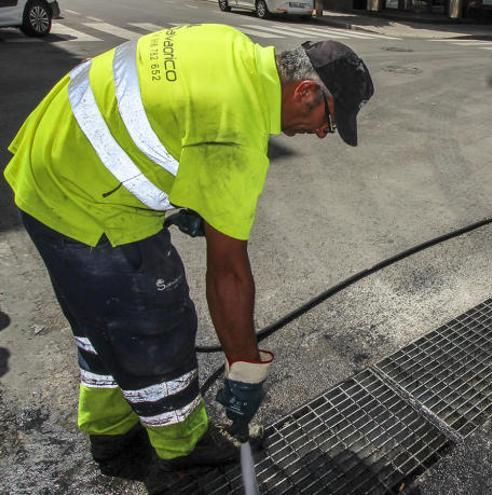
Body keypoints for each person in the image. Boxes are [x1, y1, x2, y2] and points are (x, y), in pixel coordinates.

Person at [3, 24, 374, 476]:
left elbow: (171, 116)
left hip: (49, 158)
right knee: (155, 317)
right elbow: (229, 275)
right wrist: (245, 370)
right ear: (305, 92)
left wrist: (191, 195)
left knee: (103, 319)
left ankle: (110, 430)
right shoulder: (235, 137)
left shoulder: (232, 47)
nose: (320, 134)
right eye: (328, 121)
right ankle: (182, 441)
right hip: (82, 201)